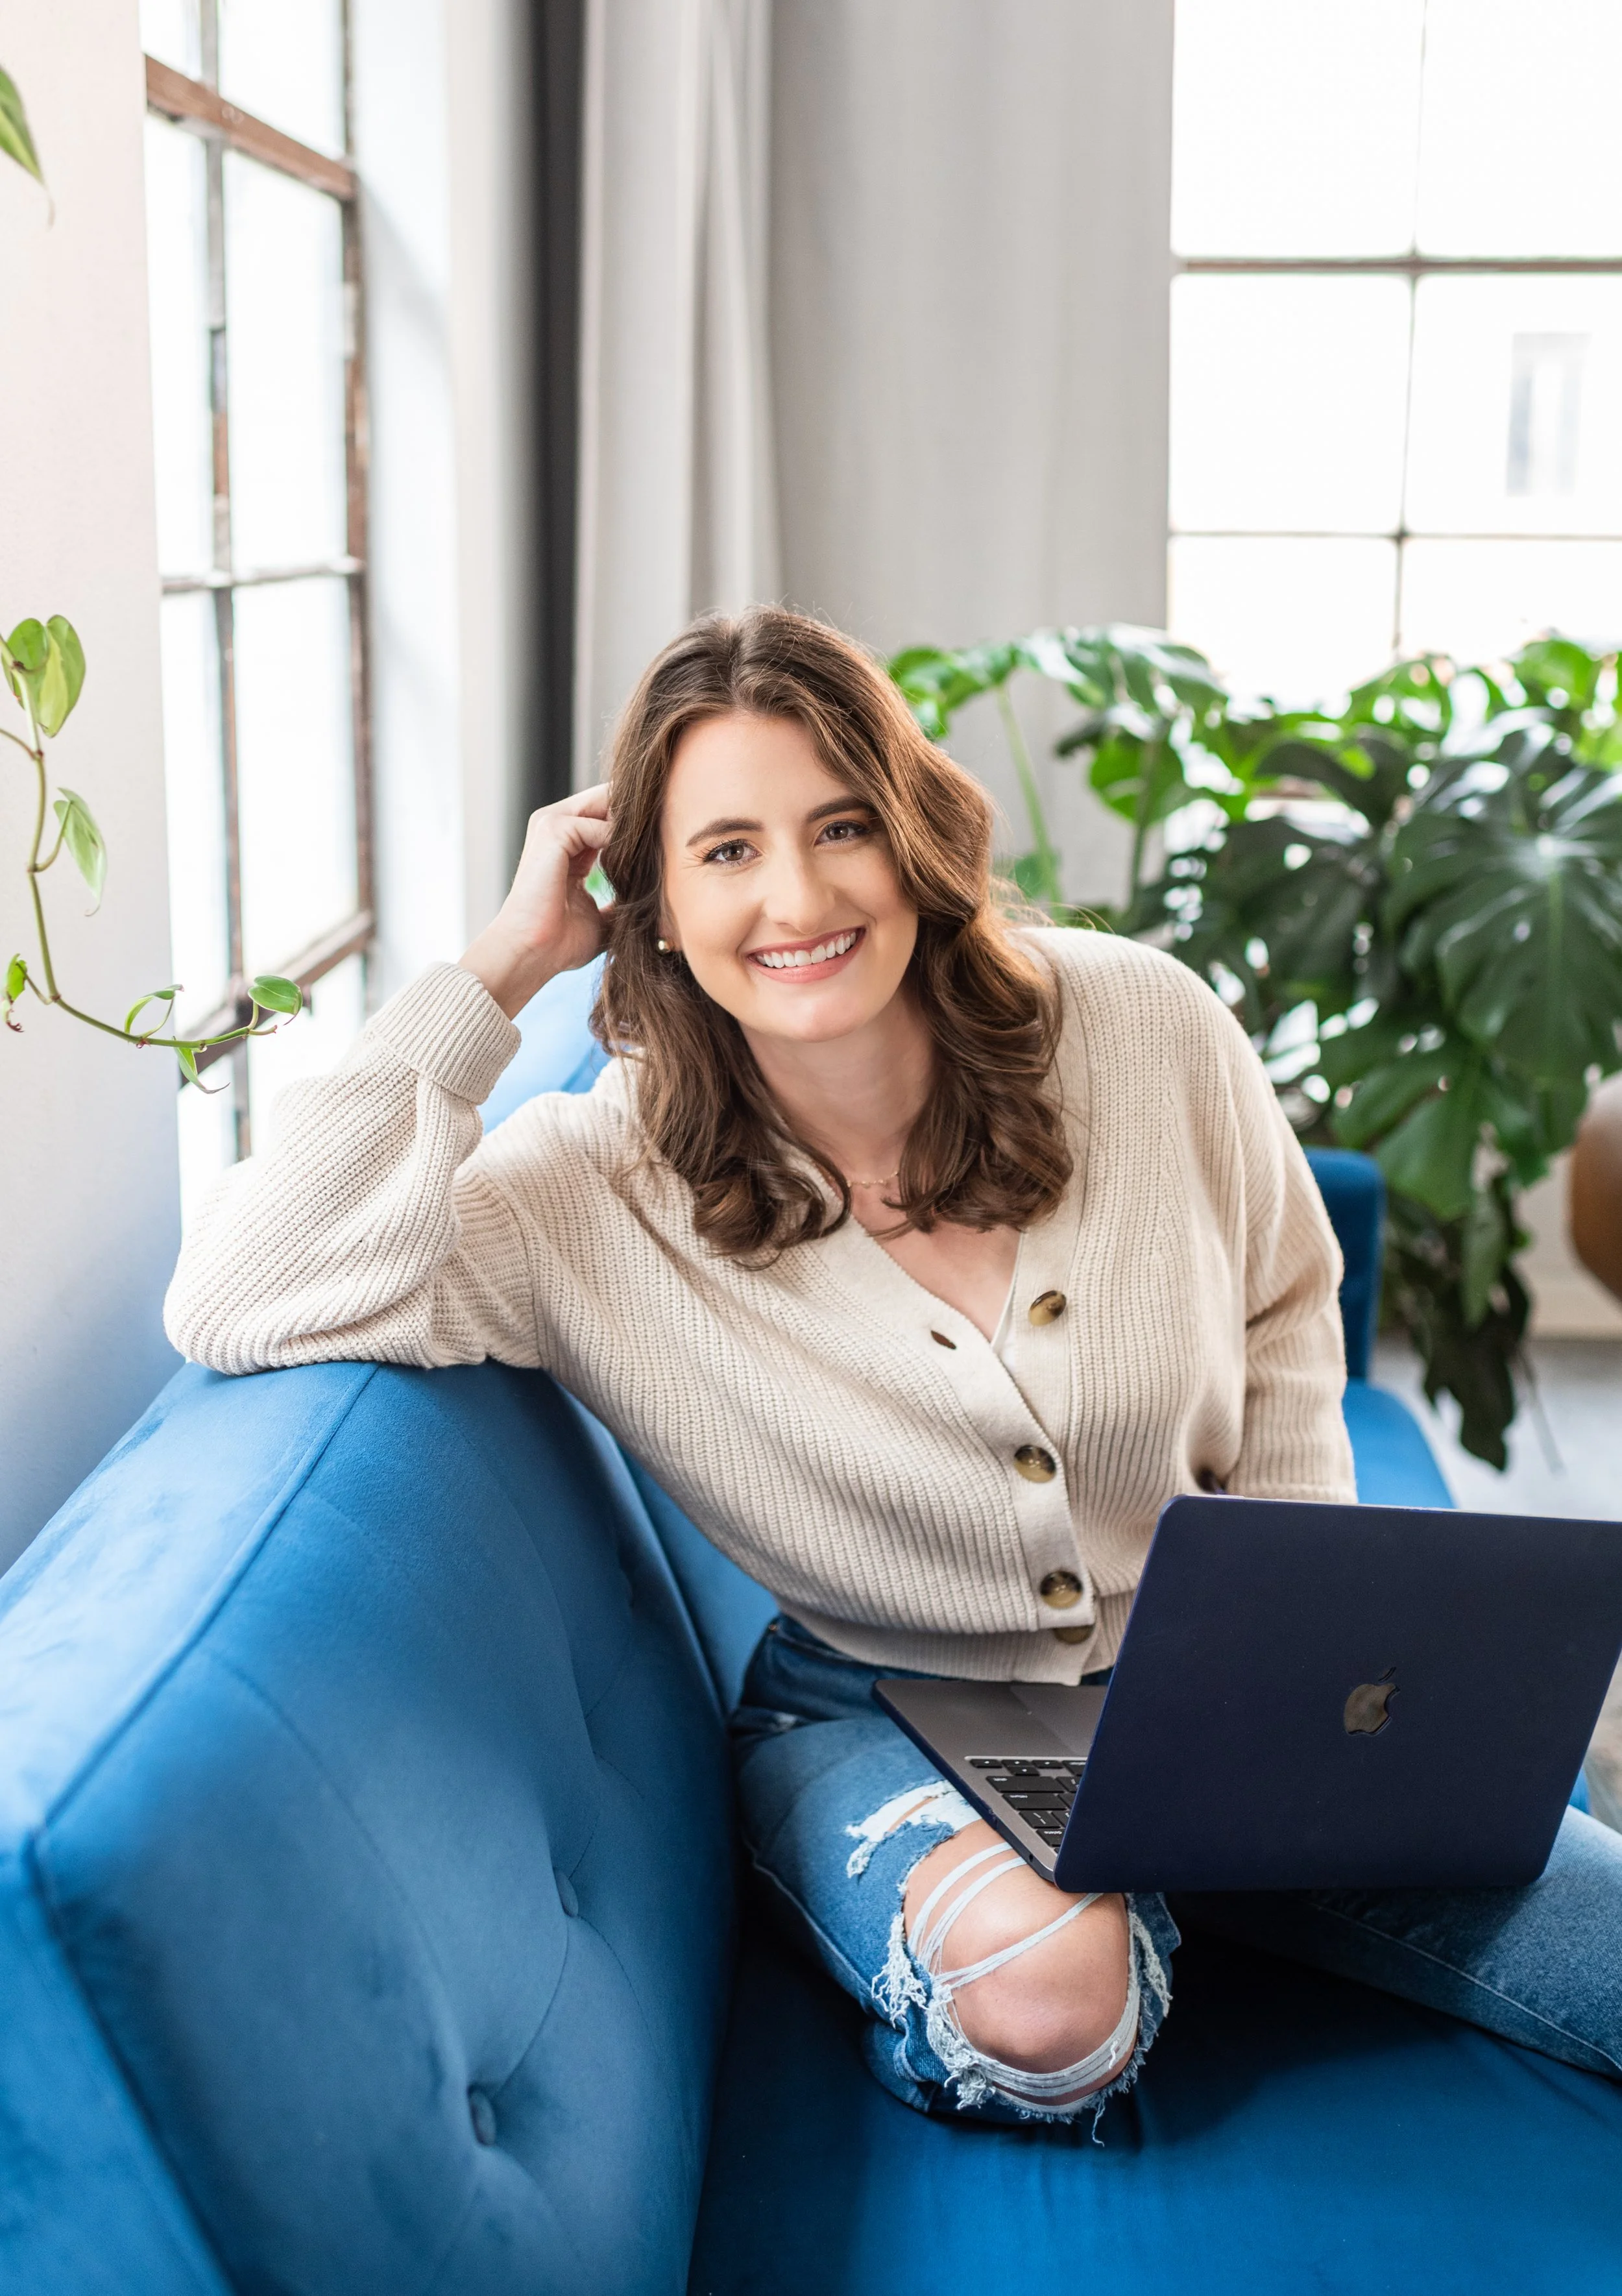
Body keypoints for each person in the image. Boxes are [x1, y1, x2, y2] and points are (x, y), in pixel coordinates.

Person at [167, 607, 1622, 2126]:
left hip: (1230, 1690)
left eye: (839, 824)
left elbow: (1281, 1299)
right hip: (885, 1713)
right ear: (647, 902)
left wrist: (1306, 1628)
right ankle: (1120, 1924)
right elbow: (240, 1292)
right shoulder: (581, 1191)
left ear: (912, 835)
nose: (795, 894)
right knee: (1050, 2005)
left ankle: (1199, 1886)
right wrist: (497, 968)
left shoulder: (1135, 1020)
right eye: (723, 848)